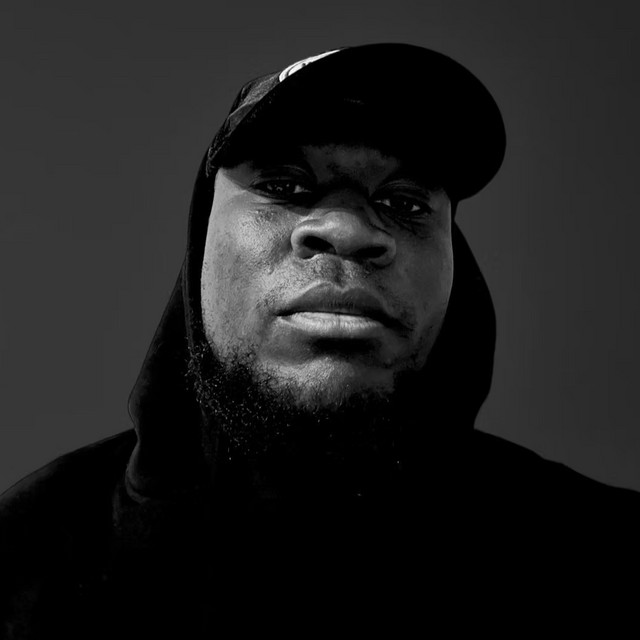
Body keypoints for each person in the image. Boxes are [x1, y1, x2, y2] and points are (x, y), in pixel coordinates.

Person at [1, 42, 639, 637]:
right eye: (283, 186)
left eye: (406, 203)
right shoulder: (22, 557)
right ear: (201, 245)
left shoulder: (606, 555)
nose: (348, 230)